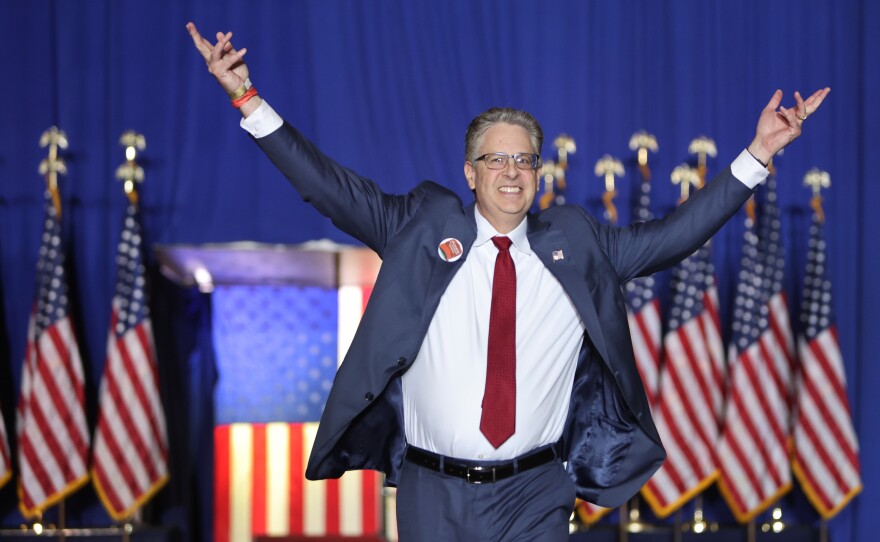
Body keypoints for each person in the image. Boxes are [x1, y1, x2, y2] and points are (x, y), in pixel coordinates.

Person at [187, 22, 829, 542]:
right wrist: (248, 99)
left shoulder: (576, 243)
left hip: (535, 493)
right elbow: (326, 186)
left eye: (525, 159)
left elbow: (675, 235)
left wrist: (759, 155)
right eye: (498, 159)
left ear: (539, 173)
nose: (513, 172)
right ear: (471, 172)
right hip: (432, 495)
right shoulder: (417, 225)